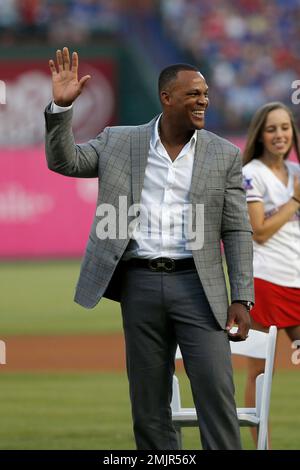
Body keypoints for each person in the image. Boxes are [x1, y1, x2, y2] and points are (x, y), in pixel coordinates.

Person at [45, 47, 254, 450]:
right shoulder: (119, 141)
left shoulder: (224, 154)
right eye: (193, 94)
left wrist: (242, 296)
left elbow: (238, 230)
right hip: (138, 285)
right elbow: (65, 162)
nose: (203, 101)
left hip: (199, 288)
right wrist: (60, 108)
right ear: (167, 98)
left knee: (216, 396)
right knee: (148, 406)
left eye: (206, 93)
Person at [242, 102, 300, 445]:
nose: (279, 135)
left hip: (297, 279)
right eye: (272, 129)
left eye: (285, 127)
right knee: (259, 372)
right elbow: (259, 231)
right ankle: (261, 444)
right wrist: (294, 202)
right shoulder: (251, 172)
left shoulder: (296, 171)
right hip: (265, 281)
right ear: (260, 136)